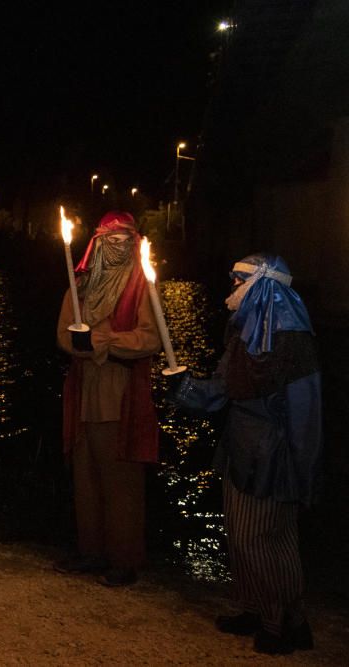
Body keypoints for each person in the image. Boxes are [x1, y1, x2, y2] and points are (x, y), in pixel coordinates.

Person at [171, 254, 321, 655]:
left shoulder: (287, 344)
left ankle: (283, 623)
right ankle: (257, 608)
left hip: (271, 457)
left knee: (259, 538)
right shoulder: (249, 335)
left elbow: (302, 411)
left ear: (260, 286)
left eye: (238, 281)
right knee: (248, 537)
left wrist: (301, 465)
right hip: (244, 448)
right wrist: (185, 387)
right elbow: (224, 390)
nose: (231, 289)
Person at [55, 211, 160, 587]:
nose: (118, 249)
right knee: (86, 475)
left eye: (125, 242)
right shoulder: (79, 288)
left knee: (121, 478)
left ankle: (123, 558)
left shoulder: (140, 287)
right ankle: (91, 551)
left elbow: (150, 338)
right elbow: (65, 336)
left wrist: (104, 340)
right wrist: (78, 342)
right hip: (84, 390)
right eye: (110, 241)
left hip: (119, 392)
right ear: (98, 243)